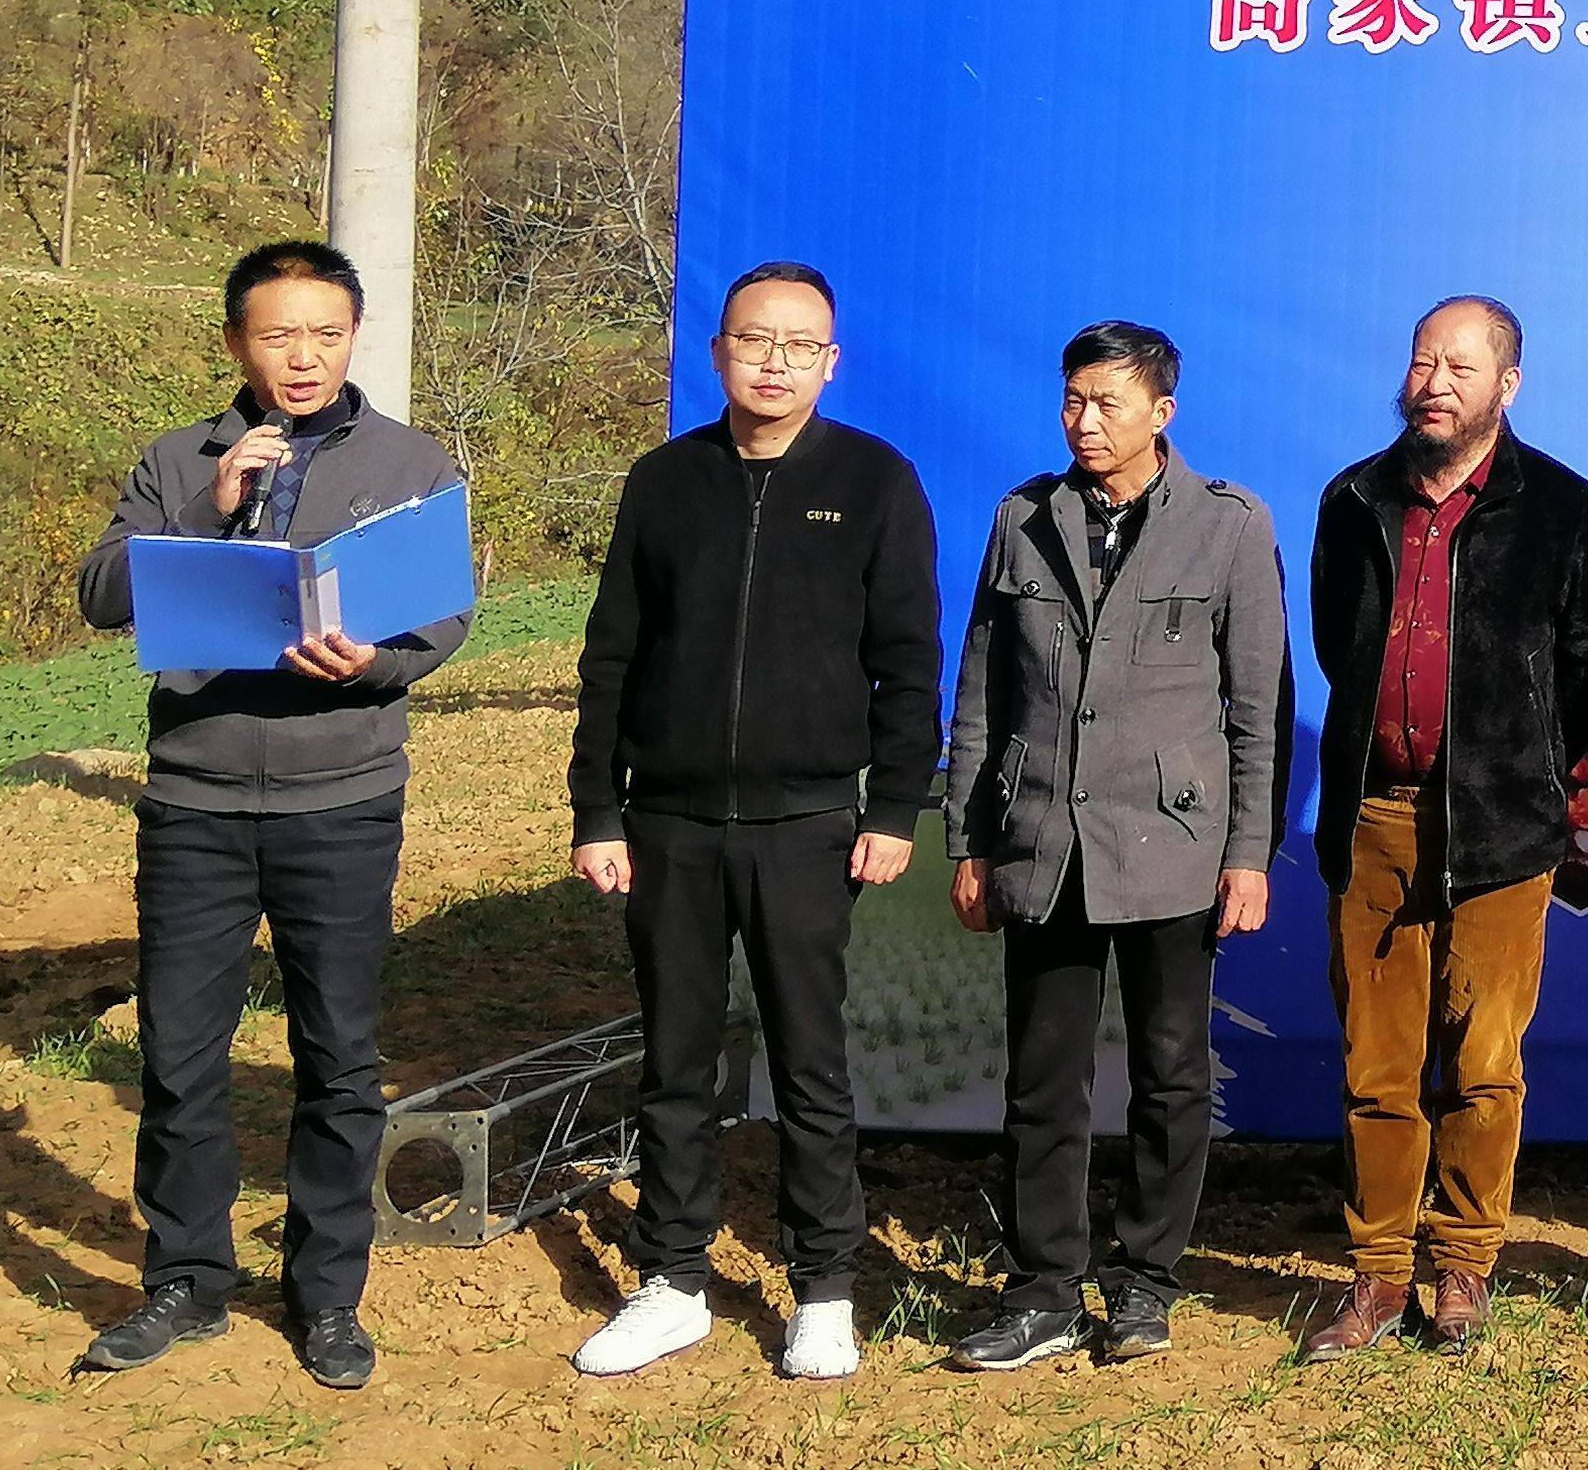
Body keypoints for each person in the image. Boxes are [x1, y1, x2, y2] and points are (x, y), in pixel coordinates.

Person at [72, 240, 470, 1392]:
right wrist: (211, 509)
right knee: (179, 1054)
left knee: (337, 1057)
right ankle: (187, 1281)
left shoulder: (408, 461)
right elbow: (101, 593)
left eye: (325, 334)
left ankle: (326, 1295)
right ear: (237, 342)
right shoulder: (179, 460)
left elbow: (443, 616)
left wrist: (374, 664)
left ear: (353, 338)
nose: (304, 356)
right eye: (279, 334)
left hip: (341, 802)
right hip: (194, 804)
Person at [563, 263, 944, 1386]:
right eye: (753, 340)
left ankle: (822, 1288)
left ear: (832, 363)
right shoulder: (665, 481)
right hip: (667, 823)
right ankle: (673, 1279)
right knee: (674, 1063)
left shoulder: (875, 481)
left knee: (810, 1063)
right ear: (717, 351)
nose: (773, 362)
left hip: (809, 825)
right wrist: (598, 808)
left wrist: (894, 807)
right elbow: (611, 657)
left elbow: (909, 665)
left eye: (798, 346)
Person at [939, 322, 1289, 1372]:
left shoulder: (1228, 525)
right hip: (1044, 840)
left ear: (1161, 413)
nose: (1084, 423)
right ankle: (1043, 1289)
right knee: (1042, 1080)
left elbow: (1256, 710)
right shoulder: (1024, 518)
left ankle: (1145, 1282)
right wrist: (971, 839)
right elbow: (981, 693)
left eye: (1108, 404)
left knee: (1170, 1074)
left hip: (1172, 846)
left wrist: (1248, 852)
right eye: (1072, 401)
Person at [1297, 295, 1588, 1362]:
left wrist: (1521, 762)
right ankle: (1377, 1274)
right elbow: (1341, 648)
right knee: (1377, 1065)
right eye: (1422, 361)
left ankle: (1465, 1267)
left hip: (1500, 828)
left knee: (1484, 1061)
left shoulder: (1564, 506)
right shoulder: (1355, 498)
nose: (1434, 383)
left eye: (1461, 367)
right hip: (1375, 819)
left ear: (1507, 386)